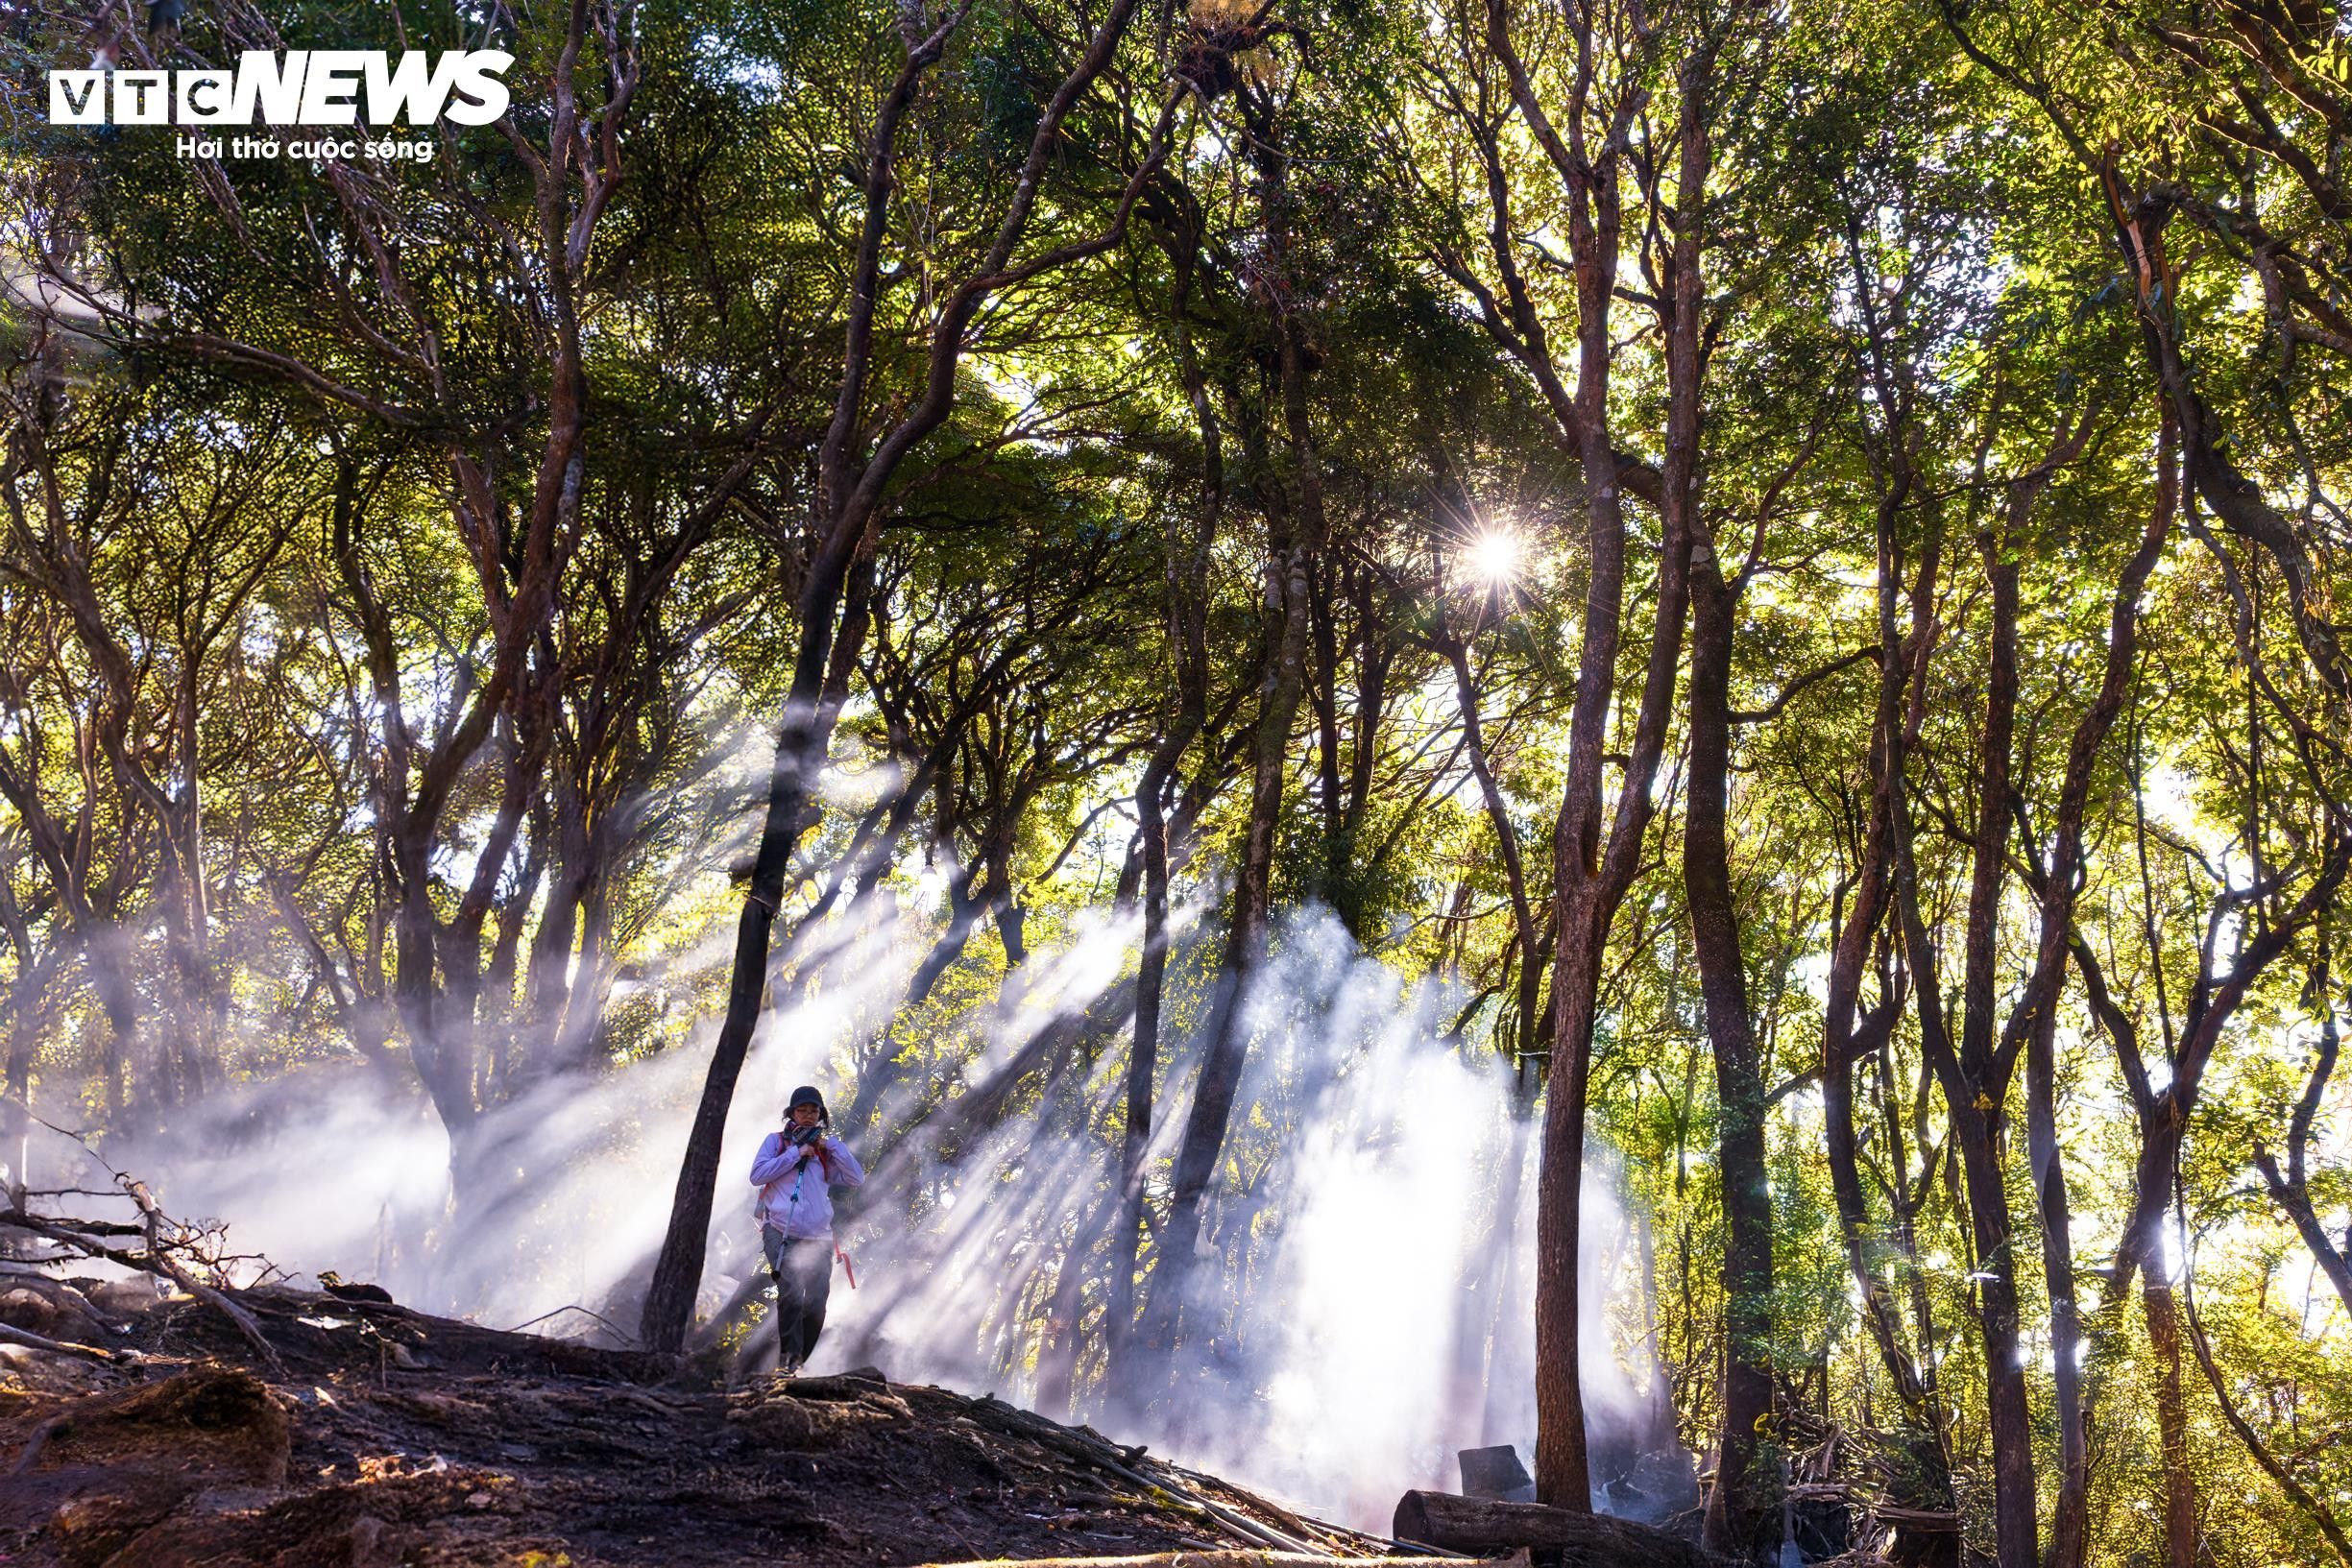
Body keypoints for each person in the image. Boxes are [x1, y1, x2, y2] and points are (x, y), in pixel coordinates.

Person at [749, 1085, 864, 1374]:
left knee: (816, 1303)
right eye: (803, 1110)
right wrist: (796, 1154)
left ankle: (799, 1362)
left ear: (821, 1114)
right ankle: (787, 1363)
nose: (809, 1116)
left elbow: (856, 1178)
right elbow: (757, 1175)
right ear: (792, 1113)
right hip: (779, 1229)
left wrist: (832, 1147)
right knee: (789, 1290)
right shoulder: (776, 1142)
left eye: (814, 1111)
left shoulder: (826, 1152)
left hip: (818, 1236)